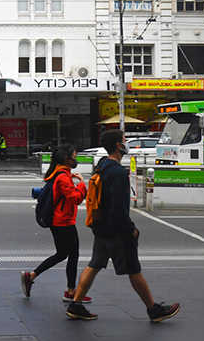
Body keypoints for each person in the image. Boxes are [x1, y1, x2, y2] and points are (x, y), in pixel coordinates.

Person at [66, 129, 180, 323]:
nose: (126, 143)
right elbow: (119, 208)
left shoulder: (102, 167)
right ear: (119, 145)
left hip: (101, 227)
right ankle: (153, 309)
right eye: (125, 140)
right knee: (134, 269)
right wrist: (131, 230)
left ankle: (76, 304)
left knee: (94, 264)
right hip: (117, 231)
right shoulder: (118, 172)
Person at [21, 145, 88, 302]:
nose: (75, 160)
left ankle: (31, 276)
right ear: (66, 159)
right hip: (63, 221)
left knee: (62, 254)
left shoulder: (58, 173)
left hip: (59, 220)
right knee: (72, 255)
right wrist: (82, 183)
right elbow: (76, 198)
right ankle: (70, 292)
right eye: (74, 157)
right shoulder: (63, 176)